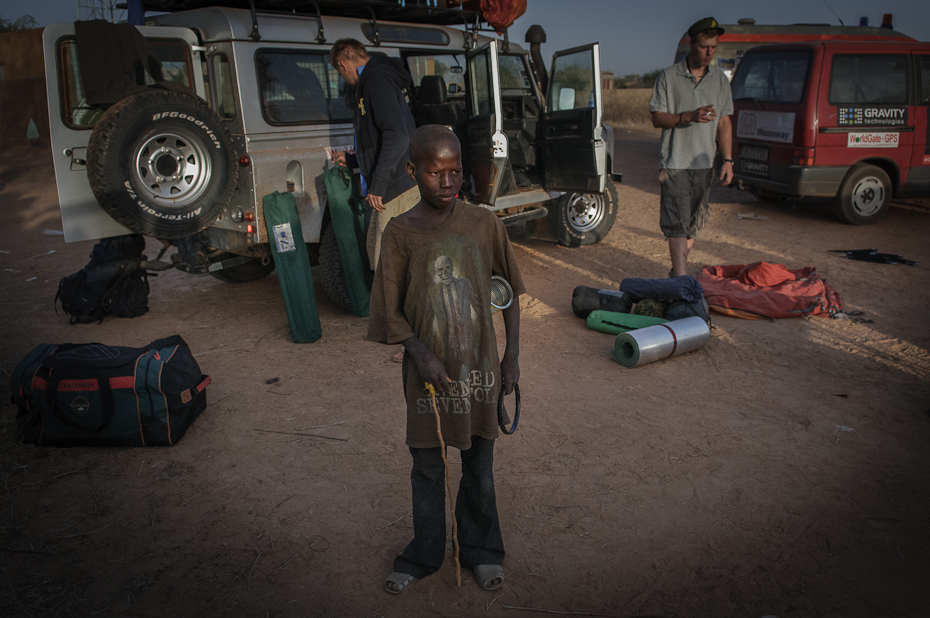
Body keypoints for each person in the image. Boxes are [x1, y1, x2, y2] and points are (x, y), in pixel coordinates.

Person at [367, 125, 524, 595]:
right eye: (436, 172)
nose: (448, 181)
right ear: (413, 171)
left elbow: (510, 294)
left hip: (479, 371)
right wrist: (421, 355)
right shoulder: (399, 233)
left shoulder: (483, 223)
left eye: (455, 171)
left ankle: (481, 551)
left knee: (479, 466)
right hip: (427, 377)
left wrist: (511, 358)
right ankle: (424, 554)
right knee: (428, 467)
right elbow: (389, 314)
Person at [331, 38, 419, 361]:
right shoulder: (374, 80)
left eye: (341, 73)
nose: (344, 79)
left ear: (343, 64)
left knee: (395, 264)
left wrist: (378, 184)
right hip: (392, 185)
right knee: (380, 256)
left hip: (396, 187)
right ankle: (401, 330)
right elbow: (382, 138)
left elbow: (398, 135)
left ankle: (412, 339)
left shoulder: (375, 80)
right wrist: (355, 163)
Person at [649, 17, 734, 278]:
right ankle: (682, 278)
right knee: (676, 223)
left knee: (692, 224)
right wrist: (688, 116)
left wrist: (728, 159)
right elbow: (657, 117)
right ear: (690, 43)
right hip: (675, 163)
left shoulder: (719, 80)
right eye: (704, 46)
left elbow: (724, 122)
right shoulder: (669, 76)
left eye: (714, 47)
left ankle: (677, 272)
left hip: (704, 163)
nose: (709, 53)